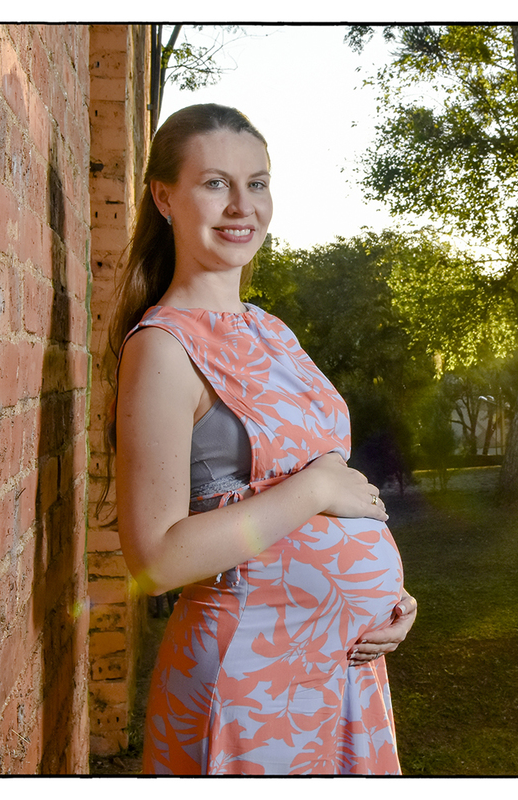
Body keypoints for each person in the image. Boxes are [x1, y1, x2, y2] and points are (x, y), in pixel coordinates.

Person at [107, 103, 415, 775]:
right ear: (164, 196)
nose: (242, 204)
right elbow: (155, 560)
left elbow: (330, 498)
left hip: (340, 672)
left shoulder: (271, 330)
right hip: (247, 686)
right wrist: (315, 489)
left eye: (258, 182)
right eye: (215, 183)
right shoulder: (163, 348)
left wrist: (386, 598)